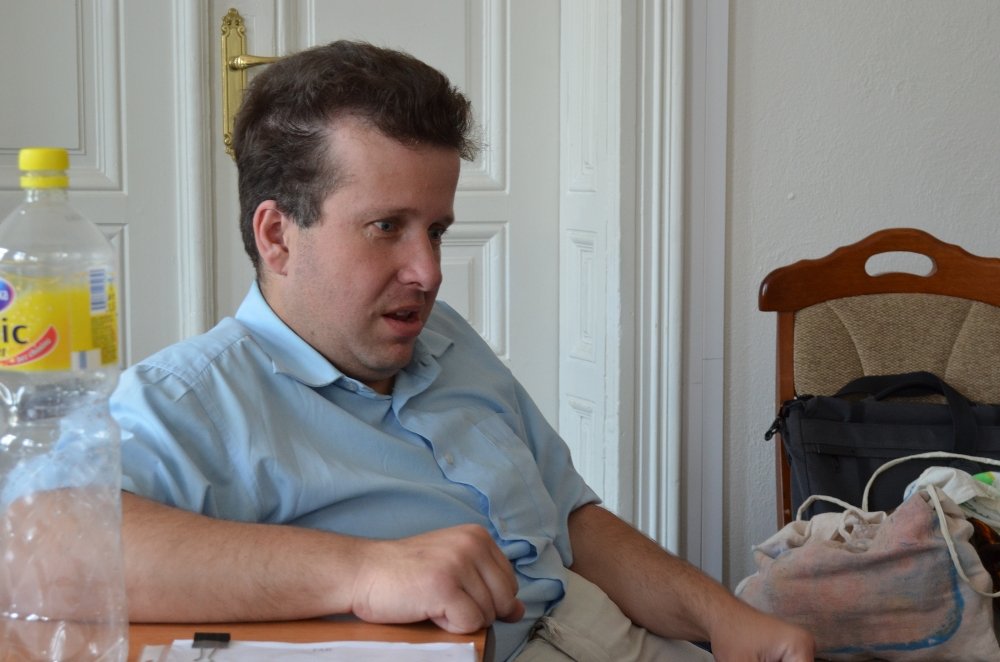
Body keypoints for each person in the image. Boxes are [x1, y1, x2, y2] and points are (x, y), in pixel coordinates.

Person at [112, 40, 815, 661]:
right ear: (277, 236)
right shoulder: (191, 398)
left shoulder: (443, 336)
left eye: (436, 230)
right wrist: (363, 571)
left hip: (610, 630)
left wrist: (723, 618)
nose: (428, 271)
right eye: (386, 227)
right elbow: (60, 549)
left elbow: (570, 520)